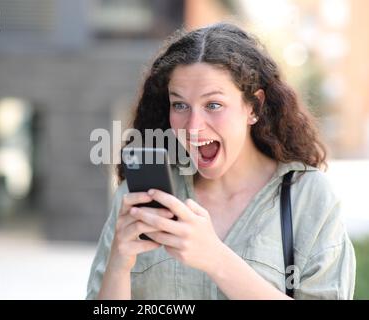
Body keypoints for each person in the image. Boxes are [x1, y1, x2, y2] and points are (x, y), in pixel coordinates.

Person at [86, 22, 356, 300]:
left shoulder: (308, 198)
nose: (192, 127)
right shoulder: (140, 199)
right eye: (180, 105)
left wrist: (216, 259)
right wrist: (118, 265)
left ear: (254, 107)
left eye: (213, 105)